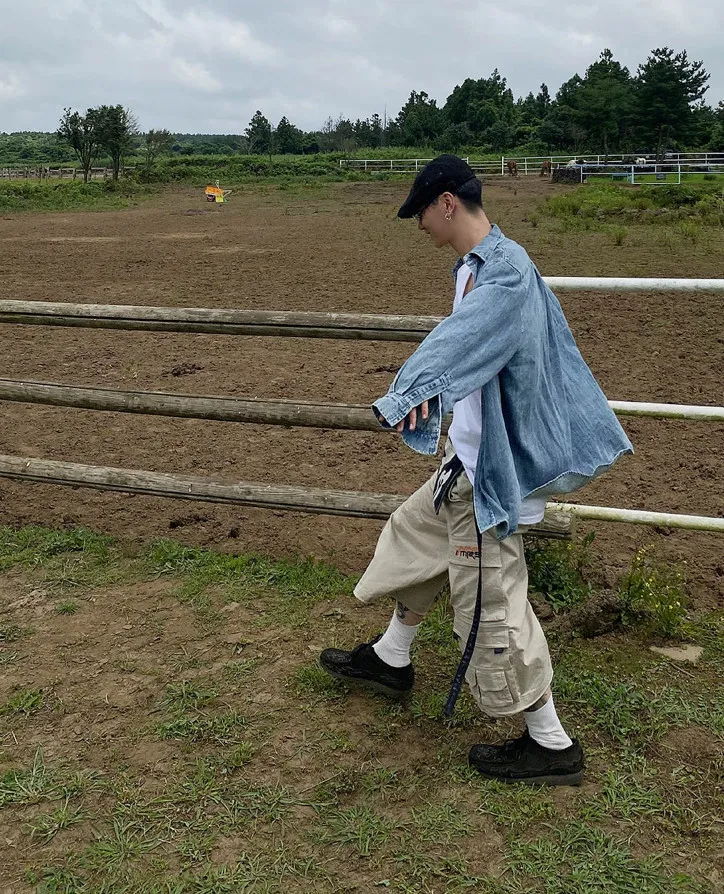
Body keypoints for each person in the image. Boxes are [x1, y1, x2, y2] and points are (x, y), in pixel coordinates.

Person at [319, 155, 633, 786]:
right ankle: (391, 657)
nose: (419, 228)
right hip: (464, 462)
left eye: (420, 214)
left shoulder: (505, 281)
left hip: (488, 474)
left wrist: (400, 398)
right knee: (415, 531)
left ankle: (550, 743)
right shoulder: (478, 268)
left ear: (447, 204)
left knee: (492, 604)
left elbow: (452, 348)